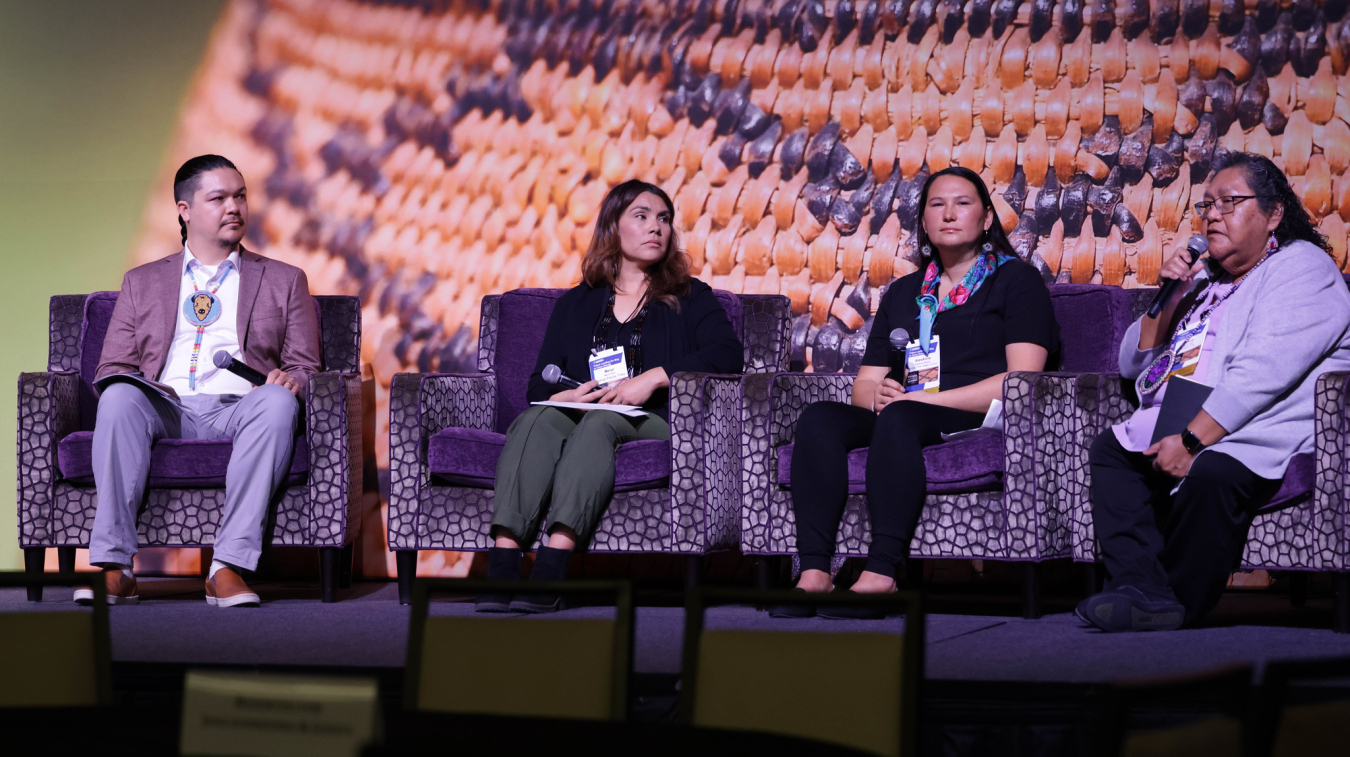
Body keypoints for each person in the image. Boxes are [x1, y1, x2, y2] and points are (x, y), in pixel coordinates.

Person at [1079, 152, 1350, 632]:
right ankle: (1139, 587)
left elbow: (1262, 373)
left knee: (1211, 471)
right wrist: (1169, 299)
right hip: (1185, 416)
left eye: (1230, 202)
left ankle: (1173, 603)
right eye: (1207, 205)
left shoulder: (1302, 267)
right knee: (1111, 450)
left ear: (1273, 214)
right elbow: (1131, 364)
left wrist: (1190, 442)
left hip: (1258, 424)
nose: (1214, 215)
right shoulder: (1204, 281)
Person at [774, 166, 1060, 619]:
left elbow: (1020, 379)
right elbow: (865, 382)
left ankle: (882, 573)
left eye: (962, 203)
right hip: (908, 412)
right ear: (923, 222)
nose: (948, 214)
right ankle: (814, 573)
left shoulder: (1015, 281)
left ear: (987, 218)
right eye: (936, 205)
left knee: (901, 418)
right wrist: (879, 395)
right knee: (820, 420)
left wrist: (915, 402)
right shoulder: (906, 291)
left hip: (975, 413)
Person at [478, 179, 743, 613]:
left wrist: (656, 376)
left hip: (651, 417)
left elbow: (728, 354)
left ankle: (551, 567)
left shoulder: (690, 295)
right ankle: (503, 566)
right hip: (586, 408)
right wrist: (566, 395)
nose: (656, 227)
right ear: (613, 228)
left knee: (601, 422)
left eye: (663, 219)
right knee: (534, 419)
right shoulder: (577, 303)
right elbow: (538, 386)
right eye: (641, 216)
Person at [74, 155, 321, 608]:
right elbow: (112, 366)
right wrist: (133, 388)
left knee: (279, 404)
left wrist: (291, 381)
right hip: (165, 407)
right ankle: (115, 568)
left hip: (239, 407)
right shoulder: (142, 281)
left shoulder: (284, 279)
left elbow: (306, 367)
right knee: (118, 397)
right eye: (220, 198)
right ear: (185, 210)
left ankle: (227, 568)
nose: (235, 207)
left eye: (241, 196)